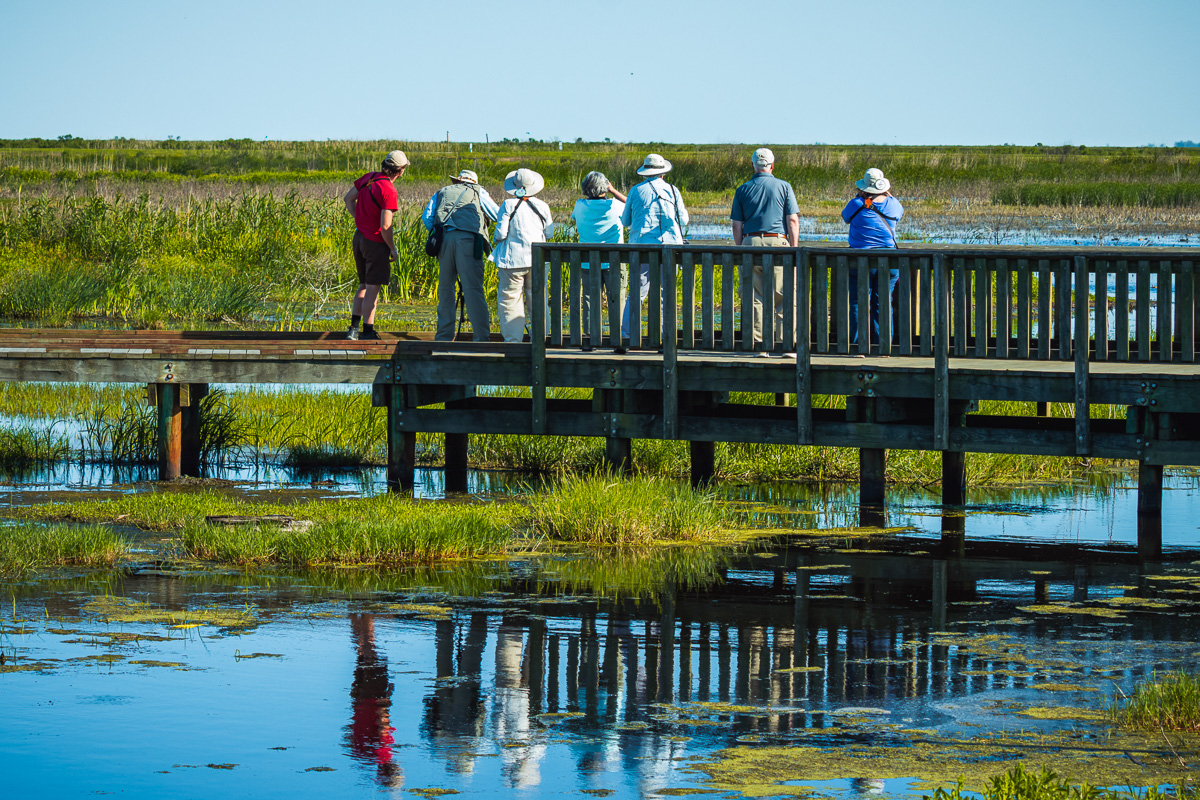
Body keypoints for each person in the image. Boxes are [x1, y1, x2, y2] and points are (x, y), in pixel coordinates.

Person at [731, 147, 800, 354]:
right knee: (784, 295)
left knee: (754, 297)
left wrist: (740, 248)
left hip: (750, 243)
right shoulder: (784, 187)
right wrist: (793, 248)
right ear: (772, 164)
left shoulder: (743, 189)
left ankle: (758, 346)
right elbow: (793, 220)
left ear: (753, 165)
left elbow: (736, 225)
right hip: (778, 243)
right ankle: (787, 345)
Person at [422, 169, 500, 341]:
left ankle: (443, 338)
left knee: (445, 290)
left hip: (444, 241)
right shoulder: (479, 191)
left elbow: (427, 217)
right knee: (473, 290)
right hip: (469, 241)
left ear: (457, 181)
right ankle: (481, 338)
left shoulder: (441, 192)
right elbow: (497, 215)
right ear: (473, 181)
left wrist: (439, 233)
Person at [620, 153, 688, 342]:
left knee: (637, 293)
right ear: (662, 173)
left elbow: (626, 221)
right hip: (669, 246)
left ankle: (627, 335)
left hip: (642, 247)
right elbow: (684, 220)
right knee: (666, 294)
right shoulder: (673, 190)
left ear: (645, 172)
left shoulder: (635, 191)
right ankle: (663, 336)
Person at [343, 150, 409, 340]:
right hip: (374, 242)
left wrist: (359, 219)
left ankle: (353, 330)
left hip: (359, 237)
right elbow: (386, 225)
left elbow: (348, 198)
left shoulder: (368, 178)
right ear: (400, 170)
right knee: (373, 288)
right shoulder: (389, 190)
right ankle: (368, 331)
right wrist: (392, 247)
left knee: (363, 285)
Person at [841, 167, 904, 346]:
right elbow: (898, 215)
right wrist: (888, 196)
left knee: (857, 302)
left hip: (860, 259)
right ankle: (884, 346)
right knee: (883, 303)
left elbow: (846, 218)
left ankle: (858, 345)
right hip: (888, 259)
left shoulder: (855, 204)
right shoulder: (893, 203)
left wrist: (860, 197)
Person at [492, 168, 553, 343]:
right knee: (538, 299)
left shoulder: (508, 205)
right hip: (538, 259)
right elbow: (549, 233)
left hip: (512, 261)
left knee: (510, 300)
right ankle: (539, 340)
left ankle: (513, 341)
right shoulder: (543, 206)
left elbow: (500, 234)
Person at [570, 171, 627, 335]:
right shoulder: (615, 205)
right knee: (617, 298)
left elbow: (574, 218)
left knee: (590, 298)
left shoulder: (579, 205)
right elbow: (632, 205)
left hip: (588, 260)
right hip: (614, 260)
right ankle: (619, 337)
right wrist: (614, 191)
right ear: (605, 188)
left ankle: (590, 337)